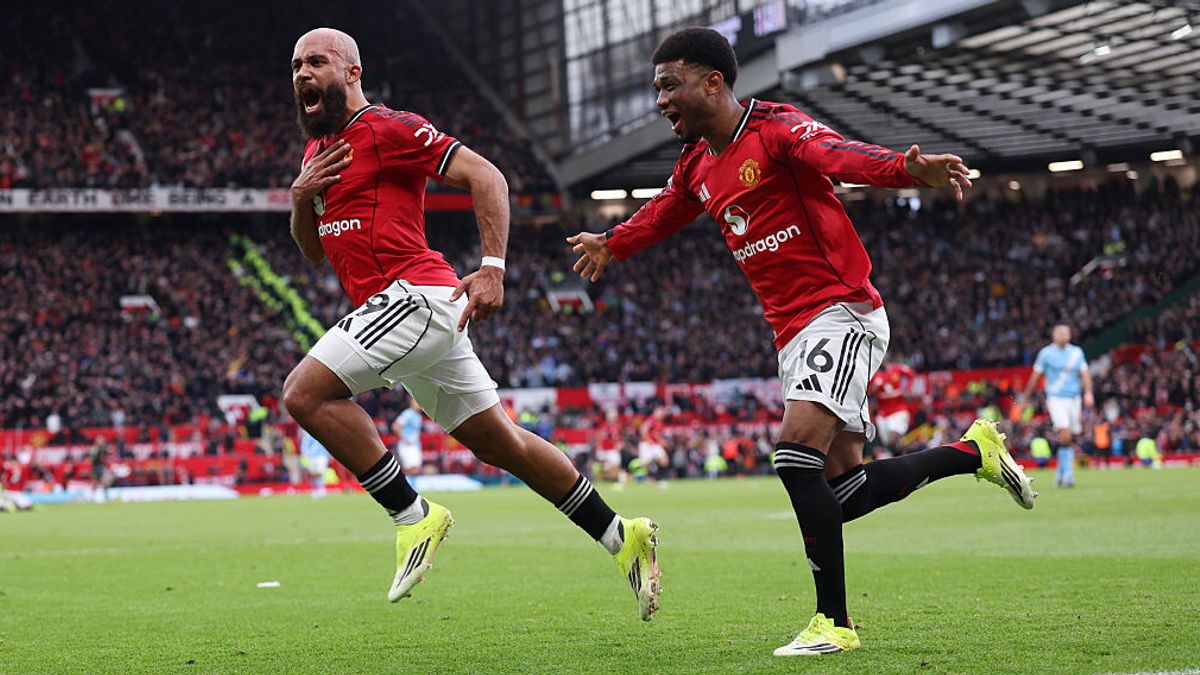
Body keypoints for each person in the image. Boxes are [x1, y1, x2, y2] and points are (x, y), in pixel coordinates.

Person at [568, 27, 1036, 655]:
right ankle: (972, 453)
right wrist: (613, 242)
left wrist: (904, 169)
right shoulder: (697, 164)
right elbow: (666, 209)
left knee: (793, 458)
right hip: (791, 332)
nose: (661, 100)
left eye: (670, 85)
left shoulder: (776, 128)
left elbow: (838, 156)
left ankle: (834, 623)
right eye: (657, 89)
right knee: (845, 492)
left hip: (840, 311)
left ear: (713, 81)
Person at [282, 28, 660, 619]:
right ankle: (621, 535)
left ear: (353, 72)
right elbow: (311, 251)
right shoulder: (315, 155)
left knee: (304, 393)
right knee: (501, 443)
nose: (303, 73)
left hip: (416, 296)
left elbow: (488, 177)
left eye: (317, 62)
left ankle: (412, 516)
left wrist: (492, 268)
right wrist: (300, 197)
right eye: (296, 65)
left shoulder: (389, 128)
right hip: (399, 311)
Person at [1019, 324, 1094, 487]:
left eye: (1066, 332)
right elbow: (1035, 377)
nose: (1064, 334)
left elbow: (1085, 373)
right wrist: (1025, 399)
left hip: (1074, 398)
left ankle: (1060, 473)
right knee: (1065, 434)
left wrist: (1088, 392)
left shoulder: (1076, 352)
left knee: (1070, 436)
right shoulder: (1046, 353)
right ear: (1053, 336)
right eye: (1060, 332)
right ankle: (1068, 475)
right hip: (1056, 398)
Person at [869, 354, 916, 457]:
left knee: (893, 438)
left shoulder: (897, 369)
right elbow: (868, 392)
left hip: (898, 411)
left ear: (887, 358)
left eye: (883, 357)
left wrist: (907, 389)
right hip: (883, 415)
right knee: (889, 444)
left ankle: (901, 456)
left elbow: (911, 374)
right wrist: (873, 388)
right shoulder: (874, 374)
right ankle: (902, 456)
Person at [391, 396, 425, 474]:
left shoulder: (418, 416)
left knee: (416, 469)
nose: (420, 405)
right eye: (417, 403)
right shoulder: (407, 413)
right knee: (411, 469)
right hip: (407, 446)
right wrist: (405, 439)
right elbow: (395, 426)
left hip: (415, 445)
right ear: (412, 403)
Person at [89, 436, 111, 503]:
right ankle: (92, 497)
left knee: (105, 481)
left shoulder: (104, 449)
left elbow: (106, 456)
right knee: (95, 483)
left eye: (102, 441)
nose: (102, 442)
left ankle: (106, 497)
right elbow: (92, 458)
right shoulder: (94, 449)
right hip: (95, 467)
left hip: (101, 467)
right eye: (100, 441)